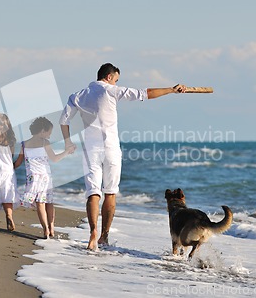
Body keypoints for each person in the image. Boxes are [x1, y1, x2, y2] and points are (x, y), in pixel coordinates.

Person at [59, 62, 186, 250]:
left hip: (91, 150)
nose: (117, 84)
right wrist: (172, 90)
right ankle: (104, 236)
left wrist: (68, 142)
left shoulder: (78, 96)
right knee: (110, 193)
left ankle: (93, 232)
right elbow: (146, 93)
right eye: (116, 80)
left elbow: (64, 120)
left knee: (93, 193)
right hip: (111, 149)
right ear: (109, 77)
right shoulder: (110, 91)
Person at [18, 117, 72, 238]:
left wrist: (8, 167)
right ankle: (52, 227)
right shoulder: (45, 143)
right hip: (45, 177)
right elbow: (54, 158)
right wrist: (66, 152)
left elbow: (19, 162)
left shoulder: (24, 144)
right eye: (49, 132)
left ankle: (46, 229)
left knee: (40, 203)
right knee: (49, 202)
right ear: (42, 131)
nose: (49, 135)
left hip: (32, 177)